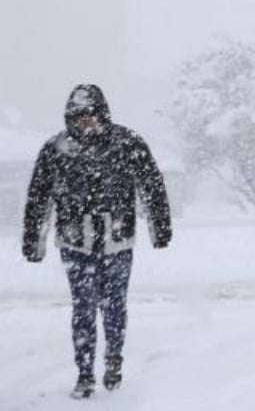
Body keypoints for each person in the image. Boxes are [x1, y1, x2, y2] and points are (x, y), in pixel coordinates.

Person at [22, 84, 172, 399]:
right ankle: (86, 372)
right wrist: (34, 241)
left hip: (117, 240)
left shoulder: (126, 143)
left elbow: (152, 186)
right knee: (84, 307)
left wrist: (160, 228)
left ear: (101, 114)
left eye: (90, 116)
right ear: (69, 118)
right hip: (75, 243)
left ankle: (114, 359)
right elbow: (39, 197)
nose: (85, 123)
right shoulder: (57, 149)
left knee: (115, 305)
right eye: (78, 118)